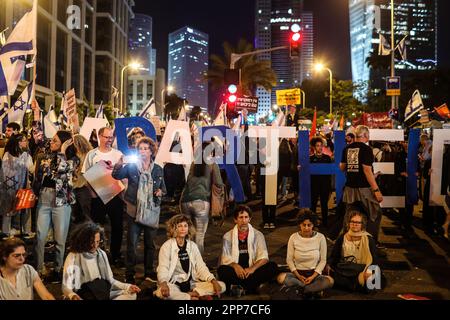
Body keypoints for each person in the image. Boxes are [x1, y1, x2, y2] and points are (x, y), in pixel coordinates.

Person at [112, 137, 166, 284]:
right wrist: (119, 165)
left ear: (151, 151)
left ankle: (149, 272)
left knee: (150, 244)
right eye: (140, 149)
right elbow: (116, 176)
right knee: (132, 244)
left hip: (151, 210)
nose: (142, 151)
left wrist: (160, 192)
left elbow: (164, 189)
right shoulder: (132, 167)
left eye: (145, 149)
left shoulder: (158, 169)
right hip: (133, 210)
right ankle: (130, 274)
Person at [33, 131, 76, 281]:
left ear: (63, 143)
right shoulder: (45, 156)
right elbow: (38, 176)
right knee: (40, 236)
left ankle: (58, 268)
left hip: (61, 201)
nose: (51, 143)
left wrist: (63, 152)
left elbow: (64, 175)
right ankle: (39, 269)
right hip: (44, 198)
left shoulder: (72, 159)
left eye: (55, 141)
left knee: (60, 239)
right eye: (52, 140)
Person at [62, 222, 141, 300]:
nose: (95, 245)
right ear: (84, 240)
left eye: (97, 241)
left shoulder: (101, 254)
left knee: (132, 294)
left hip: (103, 292)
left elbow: (110, 280)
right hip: (83, 294)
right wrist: (72, 295)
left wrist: (128, 286)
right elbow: (66, 287)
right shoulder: (73, 255)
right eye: (92, 242)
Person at [154, 214, 225, 300]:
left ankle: (191, 295)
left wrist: (213, 281)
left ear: (189, 228)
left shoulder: (193, 246)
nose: (183, 228)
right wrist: (164, 284)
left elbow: (200, 266)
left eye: (185, 226)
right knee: (163, 293)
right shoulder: (167, 246)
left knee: (222, 286)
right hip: (173, 284)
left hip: (191, 283)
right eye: (179, 226)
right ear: (173, 229)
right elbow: (163, 267)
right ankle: (192, 296)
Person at [82, 127, 125, 266]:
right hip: (98, 197)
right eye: (106, 137)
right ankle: (95, 253)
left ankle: (116, 255)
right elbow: (86, 174)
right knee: (96, 227)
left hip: (116, 196)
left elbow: (124, 176)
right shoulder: (92, 154)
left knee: (117, 227)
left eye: (111, 137)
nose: (109, 140)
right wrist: (92, 193)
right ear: (99, 137)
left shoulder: (118, 154)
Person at [217, 205, 279, 294]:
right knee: (222, 270)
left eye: (246, 217)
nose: (244, 220)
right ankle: (252, 287)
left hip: (253, 270)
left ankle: (241, 287)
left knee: (272, 267)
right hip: (237, 272)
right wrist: (236, 266)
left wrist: (252, 269)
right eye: (241, 217)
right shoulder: (227, 236)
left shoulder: (258, 235)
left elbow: (264, 257)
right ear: (235, 220)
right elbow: (225, 258)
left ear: (250, 219)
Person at [340, 125, 383, 242]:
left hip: (349, 189)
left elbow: (342, 167)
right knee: (375, 214)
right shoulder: (366, 149)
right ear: (365, 135)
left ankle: (346, 243)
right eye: (368, 135)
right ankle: (370, 243)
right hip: (364, 189)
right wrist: (376, 191)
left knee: (350, 216)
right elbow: (366, 170)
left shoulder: (347, 148)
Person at [277, 210, 333, 299]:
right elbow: (289, 259)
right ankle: (311, 291)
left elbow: (323, 260)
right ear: (300, 224)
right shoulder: (293, 237)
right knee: (280, 277)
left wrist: (313, 276)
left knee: (330, 281)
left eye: (309, 225)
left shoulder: (320, 237)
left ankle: (301, 290)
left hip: (314, 274)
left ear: (313, 225)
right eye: (304, 225)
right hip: (297, 274)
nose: (306, 228)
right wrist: (298, 275)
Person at [180, 142, 224, 254]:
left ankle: (186, 260)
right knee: (199, 235)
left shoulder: (194, 163)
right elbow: (218, 183)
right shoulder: (213, 164)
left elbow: (188, 181)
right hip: (202, 201)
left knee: (187, 233)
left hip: (185, 200)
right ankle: (197, 264)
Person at [328, 203, 382, 292]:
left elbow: (375, 259)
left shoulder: (368, 238)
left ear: (362, 224)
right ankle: (355, 285)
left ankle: (352, 285)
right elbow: (334, 256)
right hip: (346, 268)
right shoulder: (342, 237)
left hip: (363, 269)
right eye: (352, 222)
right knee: (331, 274)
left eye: (358, 222)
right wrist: (329, 265)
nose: (355, 224)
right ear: (348, 223)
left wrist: (369, 270)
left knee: (374, 278)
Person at [0, 134, 34, 237]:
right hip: (13, 187)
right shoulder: (20, 156)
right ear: (18, 143)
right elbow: (31, 169)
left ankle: (22, 230)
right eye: (24, 140)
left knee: (23, 208)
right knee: (11, 209)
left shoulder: (9, 155)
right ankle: (10, 231)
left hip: (16, 186)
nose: (26, 142)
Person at [310, 137, 332, 227]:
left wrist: (329, 186)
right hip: (314, 185)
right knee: (313, 205)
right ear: (314, 147)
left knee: (324, 205)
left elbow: (330, 172)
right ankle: (312, 222)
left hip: (324, 186)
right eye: (317, 146)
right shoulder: (310, 159)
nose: (319, 147)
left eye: (320, 146)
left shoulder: (327, 158)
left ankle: (325, 222)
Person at [71, 135, 93, 224]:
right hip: (73, 187)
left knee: (86, 213)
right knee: (76, 214)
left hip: (84, 187)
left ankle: (89, 232)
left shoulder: (89, 155)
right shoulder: (72, 155)